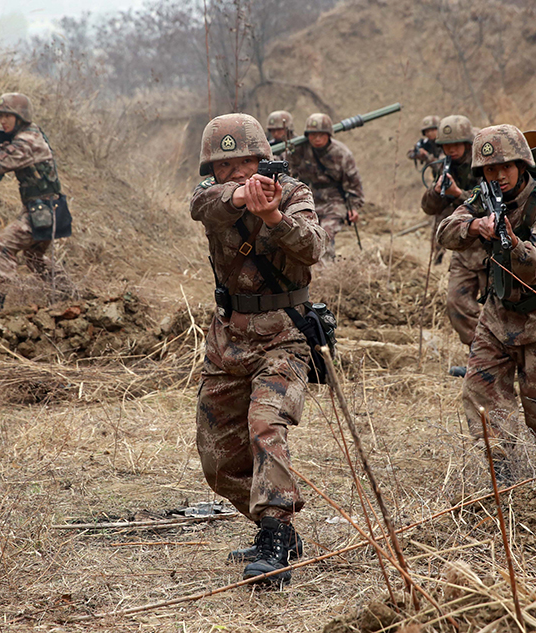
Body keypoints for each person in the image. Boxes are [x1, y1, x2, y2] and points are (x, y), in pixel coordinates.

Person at [189, 113, 327, 586]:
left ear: (262, 158)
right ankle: (275, 528)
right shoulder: (211, 198)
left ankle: (274, 530)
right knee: (217, 456)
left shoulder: (294, 193)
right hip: (227, 339)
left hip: (283, 335)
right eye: (225, 166)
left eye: (245, 162)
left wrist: (273, 216)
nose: (236, 172)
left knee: (266, 425)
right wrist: (240, 197)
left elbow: (312, 248)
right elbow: (204, 206)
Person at [438, 124, 536, 456]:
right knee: (480, 398)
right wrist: (475, 225)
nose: (498, 175)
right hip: (496, 319)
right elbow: (445, 231)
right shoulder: (481, 198)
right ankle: (503, 472)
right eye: (489, 169)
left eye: (505, 167)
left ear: (521, 166)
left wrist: (514, 244)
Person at [0, 93, 72, 321]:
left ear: (21, 117)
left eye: (8, 116)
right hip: (48, 210)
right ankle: (69, 293)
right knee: (34, 257)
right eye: (1, 116)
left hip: (43, 212)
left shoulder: (26, 142)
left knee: (2, 245)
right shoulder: (29, 135)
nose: (3, 121)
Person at [422, 115, 486, 361]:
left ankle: (499, 357)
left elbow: (493, 203)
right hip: (463, 247)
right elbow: (428, 208)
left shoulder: (485, 162)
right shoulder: (444, 166)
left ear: (468, 143)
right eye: (446, 146)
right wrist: (438, 191)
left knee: (498, 309)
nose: (451, 150)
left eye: (456, 144)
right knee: (456, 304)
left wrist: (459, 194)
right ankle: (480, 357)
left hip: (490, 246)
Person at [288, 113, 363, 260]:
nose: (317, 139)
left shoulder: (342, 153)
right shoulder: (299, 150)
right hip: (309, 196)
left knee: (325, 235)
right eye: (313, 135)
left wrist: (353, 207)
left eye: (321, 135)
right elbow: (289, 171)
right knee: (304, 235)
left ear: (329, 135)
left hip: (334, 199)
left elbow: (353, 181)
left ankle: (325, 275)